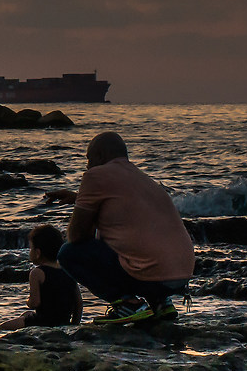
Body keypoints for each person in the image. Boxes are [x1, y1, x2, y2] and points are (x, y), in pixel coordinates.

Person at [61, 130, 194, 325]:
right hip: (181, 275)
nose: (87, 165)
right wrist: (78, 199)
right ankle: (161, 303)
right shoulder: (143, 179)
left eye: (89, 159)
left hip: (151, 276)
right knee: (131, 245)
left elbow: (77, 235)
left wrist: (84, 208)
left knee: (68, 253)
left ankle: (128, 305)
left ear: (101, 156)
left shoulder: (95, 175)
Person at [5, 223, 83, 328]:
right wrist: (73, 325)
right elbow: (79, 303)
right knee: (26, 314)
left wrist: (28, 302)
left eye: (31, 248)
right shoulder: (68, 271)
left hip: (42, 322)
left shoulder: (37, 273)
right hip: (63, 322)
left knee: (3, 327)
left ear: (38, 253)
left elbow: (35, 303)